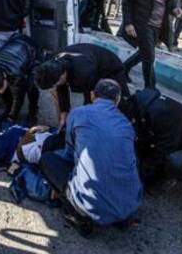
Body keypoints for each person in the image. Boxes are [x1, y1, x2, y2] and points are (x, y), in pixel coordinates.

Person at [38, 79, 142, 236]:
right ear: (117, 100)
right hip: (130, 205)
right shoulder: (126, 125)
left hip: (90, 205)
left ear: (93, 95)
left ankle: (79, 218)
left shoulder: (79, 113)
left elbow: (69, 153)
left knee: (47, 160)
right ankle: (121, 214)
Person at [33, 43, 130, 127]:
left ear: (62, 75)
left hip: (111, 67)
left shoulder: (84, 72)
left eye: (54, 84)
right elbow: (61, 87)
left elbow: (91, 97)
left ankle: (131, 123)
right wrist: (64, 112)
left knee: (120, 101)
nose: (53, 88)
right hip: (90, 60)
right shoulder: (54, 62)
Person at [121, 0, 181, 88]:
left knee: (144, 53)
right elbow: (127, 2)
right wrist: (128, 23)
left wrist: (175, 10)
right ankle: (150, 88)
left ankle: (123, 69)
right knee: (149, 57)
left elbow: (170, 3)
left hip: (159, 26)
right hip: (143, 24)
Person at [0, 33, 40, 129]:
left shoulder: (16, 74)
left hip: (32, 50)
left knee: (32, 86)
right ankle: (8, 107)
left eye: (0, 87)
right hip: (15, 42)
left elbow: (18, 99)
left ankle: (33, 113)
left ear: (4, 75)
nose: (0, 91)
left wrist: (11, 118)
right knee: (6, 94)